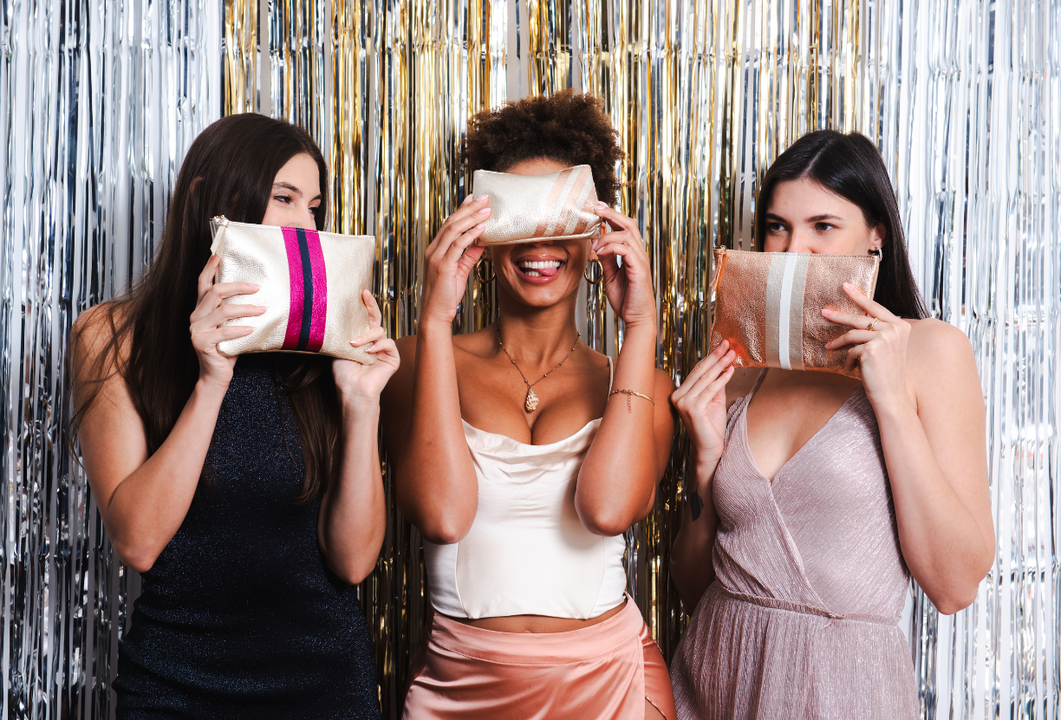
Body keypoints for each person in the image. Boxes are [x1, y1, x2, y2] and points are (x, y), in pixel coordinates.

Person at [70, 114, 396, 718]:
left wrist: (361, 401)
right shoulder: (112, 338)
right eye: (283, 198)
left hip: (323, 686)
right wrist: (212, 379)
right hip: (173, 686)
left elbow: (352, 561)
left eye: (314, 207)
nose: (305, 224)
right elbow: (138, 541)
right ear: (208, 201)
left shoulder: (326, 343)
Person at [668, 130, 995, 719]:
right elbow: (696, 590)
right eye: (777, 226)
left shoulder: (933, 352)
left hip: (840, 692)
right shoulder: (743, 363)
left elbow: (954, 586)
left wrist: (891, 399)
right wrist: (704, 464)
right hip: (712, 681)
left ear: (876, 237)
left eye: (823, 226)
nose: (794, 252)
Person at [381, 91, 678, 720]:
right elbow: (440, 515)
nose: (539, 241)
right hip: (462, 688)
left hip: (613, 687)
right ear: (483, 232)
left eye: (561, 216)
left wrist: (642, 325)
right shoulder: (414, 360)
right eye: (520, 216)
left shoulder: (640, 379)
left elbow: (608, 507)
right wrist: (435, 319)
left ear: (596, 231)